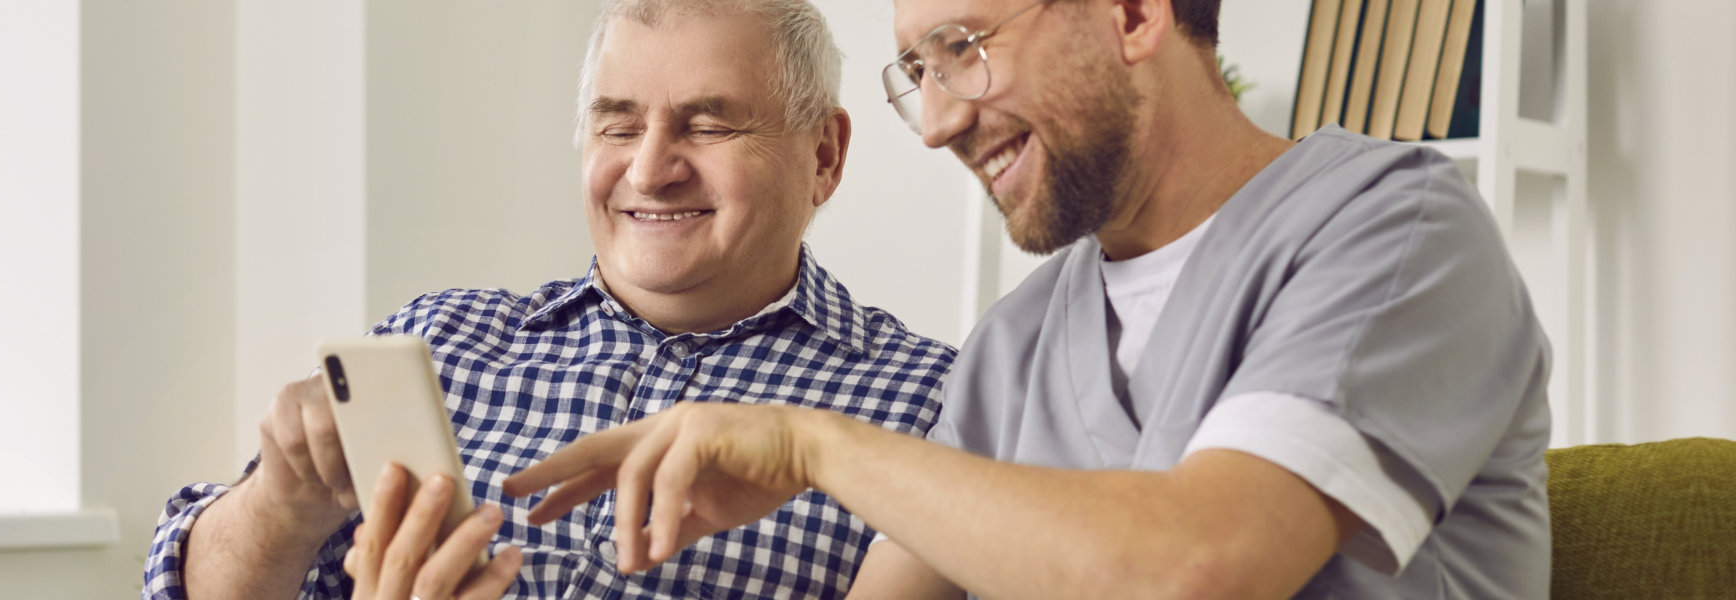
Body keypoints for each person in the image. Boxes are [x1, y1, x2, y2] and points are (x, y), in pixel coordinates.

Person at [503, 0, 1553, 598]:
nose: (937, 123)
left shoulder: (1393, 231)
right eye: (917, 70)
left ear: (1133, 14)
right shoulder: (1015, 348)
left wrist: (809, 445)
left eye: (964, 48)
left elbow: (1199, 566)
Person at [141, 1, 957, 598]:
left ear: (824, 153)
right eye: (617, 125)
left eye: (708, 126)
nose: (649, 169)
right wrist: (280, 506)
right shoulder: (437, 342)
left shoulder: (936, 408)